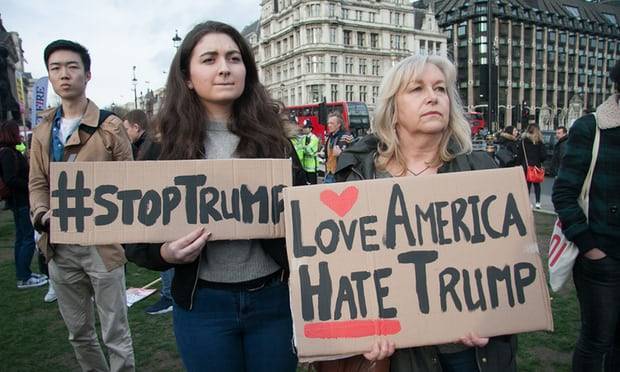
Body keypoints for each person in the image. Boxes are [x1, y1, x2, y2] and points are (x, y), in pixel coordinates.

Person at [124, 21, 304, 372]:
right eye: (209, 59)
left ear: (246, 71)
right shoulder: (163, 148)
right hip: (202, 306)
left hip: (275, 301)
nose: (224, 68)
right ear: (187, 76)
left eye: (234, 58)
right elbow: (132, 236)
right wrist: (166, 252)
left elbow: (305, 215)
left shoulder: (275, 142)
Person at [332, 54, 517, 372]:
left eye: (441, 89)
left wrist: (494, 317)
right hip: (398, 351)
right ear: (393, 107)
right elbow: (339, 269)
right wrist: (361, 329)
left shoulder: (481, 170)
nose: (433, 97)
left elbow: (509, 259)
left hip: (466, 350)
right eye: (417, 89)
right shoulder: (357, 175)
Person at [28, 39, 135, 372]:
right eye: (55, 68)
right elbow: (37, 182)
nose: (64, 74)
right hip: (59, 245)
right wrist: (40, 212)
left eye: (72, 67)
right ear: (49, 74)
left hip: (102, 244)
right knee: (79, 333)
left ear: (87, 75)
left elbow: (130, 180)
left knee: (116, 332)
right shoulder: (43, 130)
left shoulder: (110, 125)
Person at [552, 60, 620, 372]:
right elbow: (564, 194)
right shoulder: (591, 128)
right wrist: (591, 248)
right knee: (597, 341)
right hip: (602, 259)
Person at [122, 109, 173, 314]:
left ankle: (169, 295)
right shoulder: (151, 146)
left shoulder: (155, 146)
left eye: (127, 129)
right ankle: (169, 294)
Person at [0, 119, 48, 289]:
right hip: (20, 201)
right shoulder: (7, 153)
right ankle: (24, 276)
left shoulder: (11, 151)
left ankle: (24, 273)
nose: (20, 134)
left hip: (20, 201)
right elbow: (10, 179)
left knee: (23, 237)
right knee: (27, 238)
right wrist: (30, 186)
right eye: (17, 131)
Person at [516, 124, 546, 209]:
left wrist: (518, 165)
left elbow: (520, 155)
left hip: (526, 165)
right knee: (537, 185)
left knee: (527, 185)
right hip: (536, 166)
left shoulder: (523, 141)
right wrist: (539, 161)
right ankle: (538, 202)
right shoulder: (540, 142)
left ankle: (528, 202)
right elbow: (543, 156)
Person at [323, 112, 352, 183]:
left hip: (340, 175)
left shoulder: (347, 137)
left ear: (339, 125)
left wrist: (341, 154)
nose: (329, 125)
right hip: (328, 173)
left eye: (332, 123)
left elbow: (353, 155)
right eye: (328, 123)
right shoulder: (328, 137)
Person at [300, 120, 320, 184]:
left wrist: (303, 148)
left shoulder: (314, 138)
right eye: (304, 127)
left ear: (310, 129)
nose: (304, 129)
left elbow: (309, 151)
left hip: (312, 168)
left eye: (306, 128)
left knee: (312, 185)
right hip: (304, 167)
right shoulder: (303, 138)